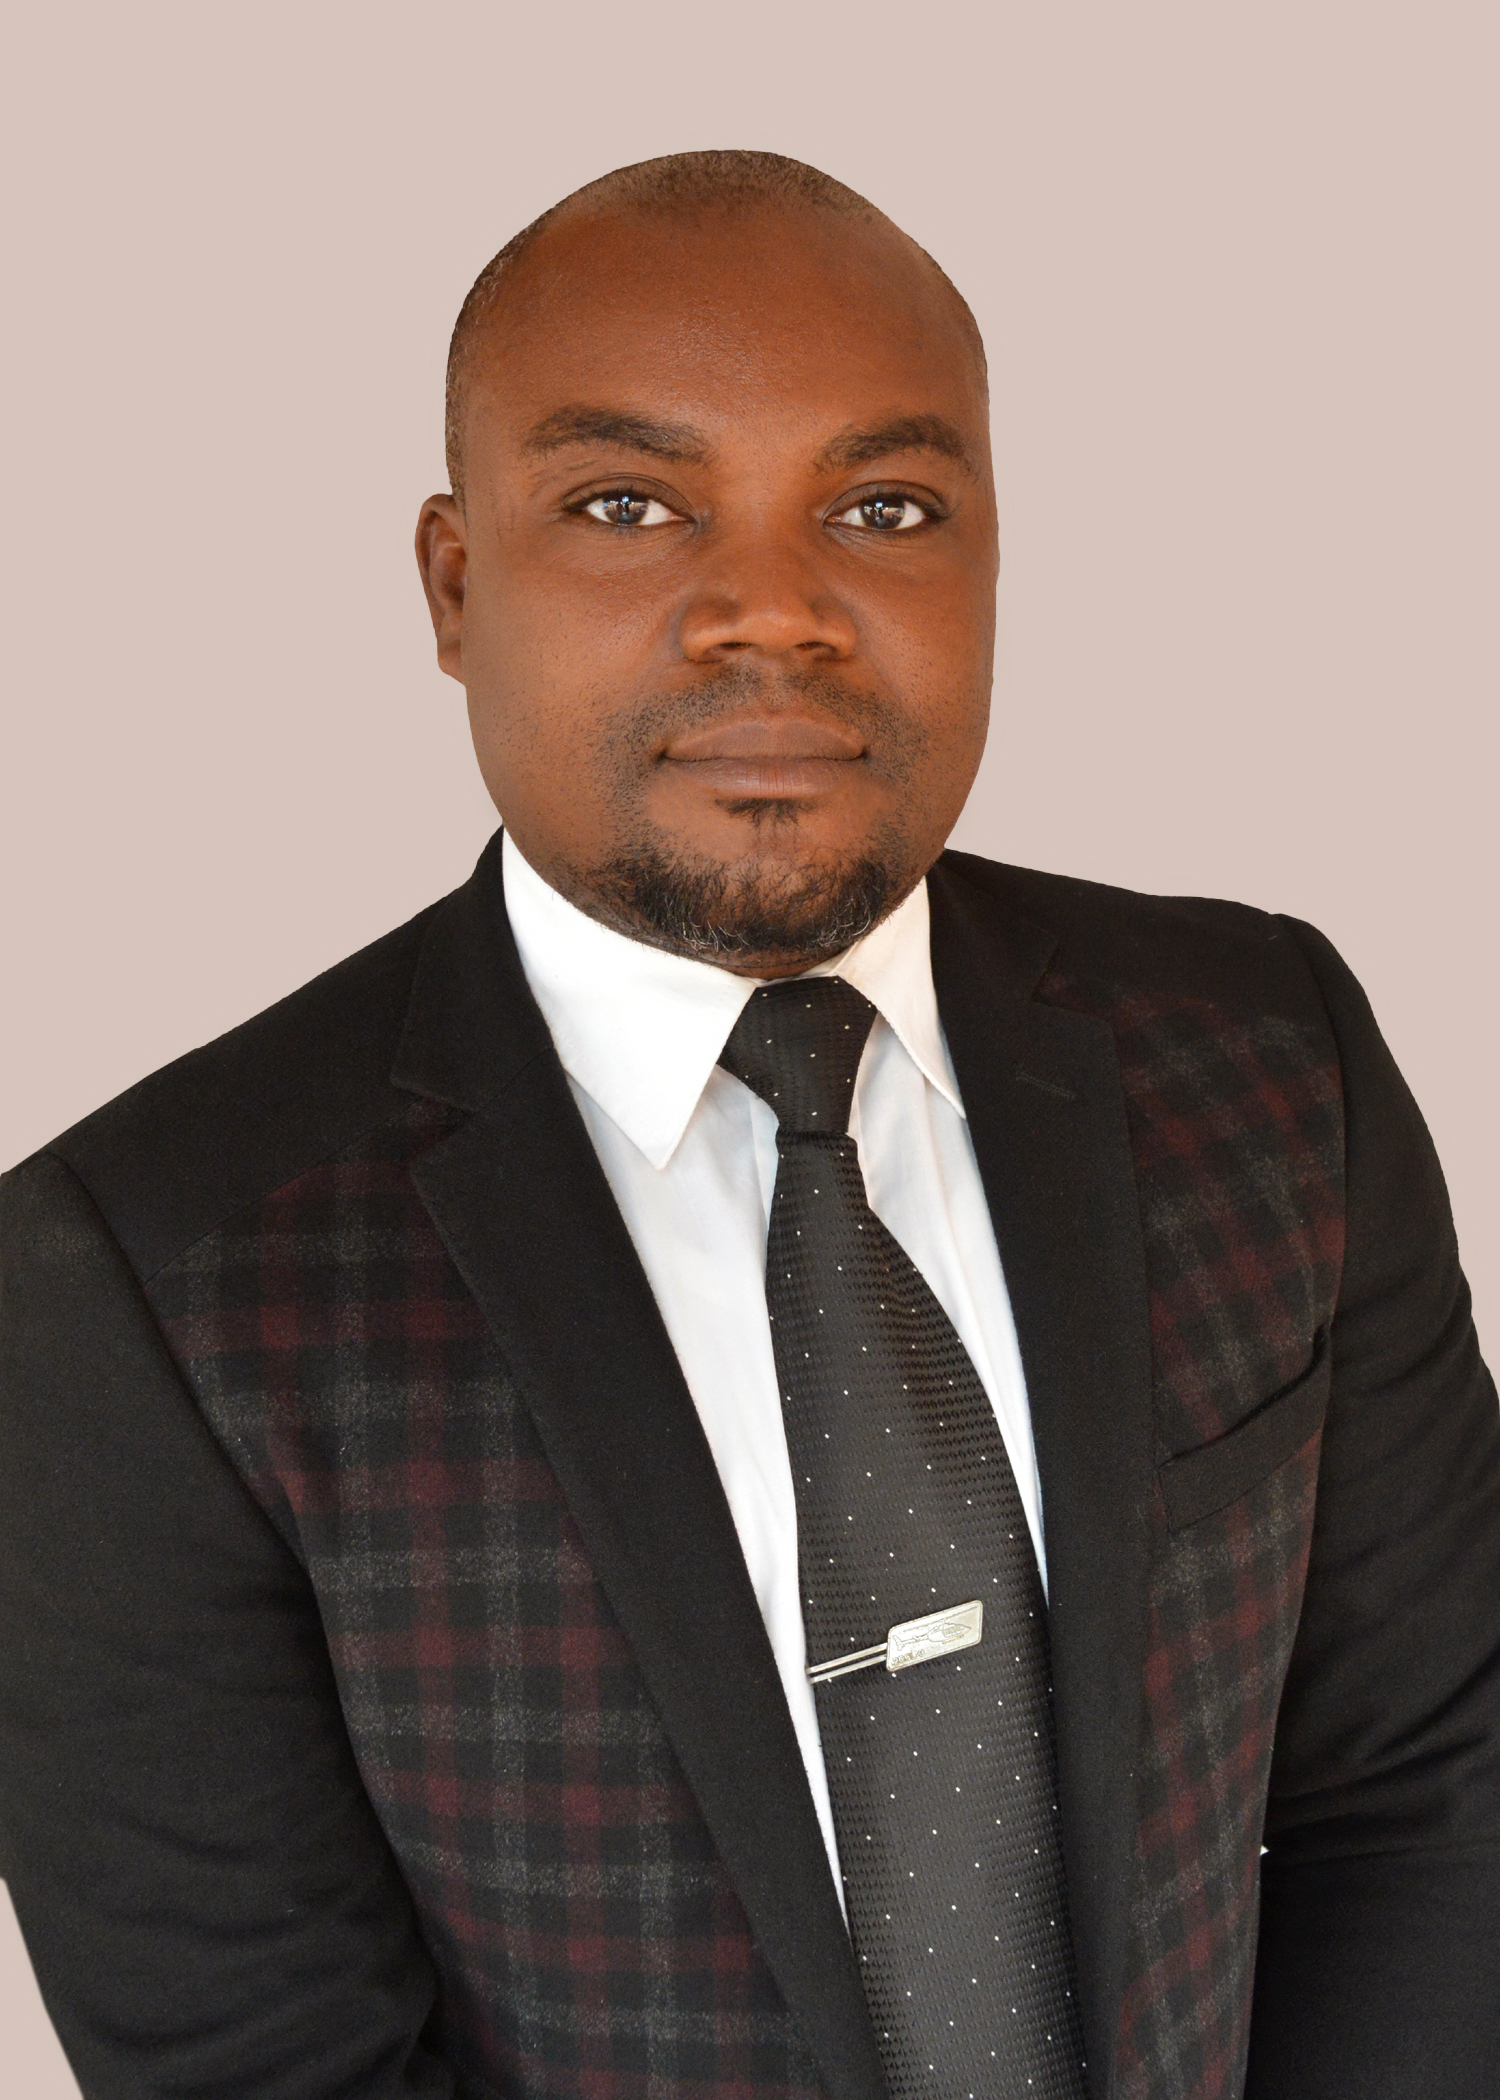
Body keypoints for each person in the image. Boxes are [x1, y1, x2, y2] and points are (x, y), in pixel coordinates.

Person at [1, 149, 1496, 2100]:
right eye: (628, 505)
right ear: (455, 583)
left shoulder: (1271, 1057)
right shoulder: (137, 1290)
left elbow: (1429, 1796)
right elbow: (265, 2065)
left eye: (885, 508)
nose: (774, 611)